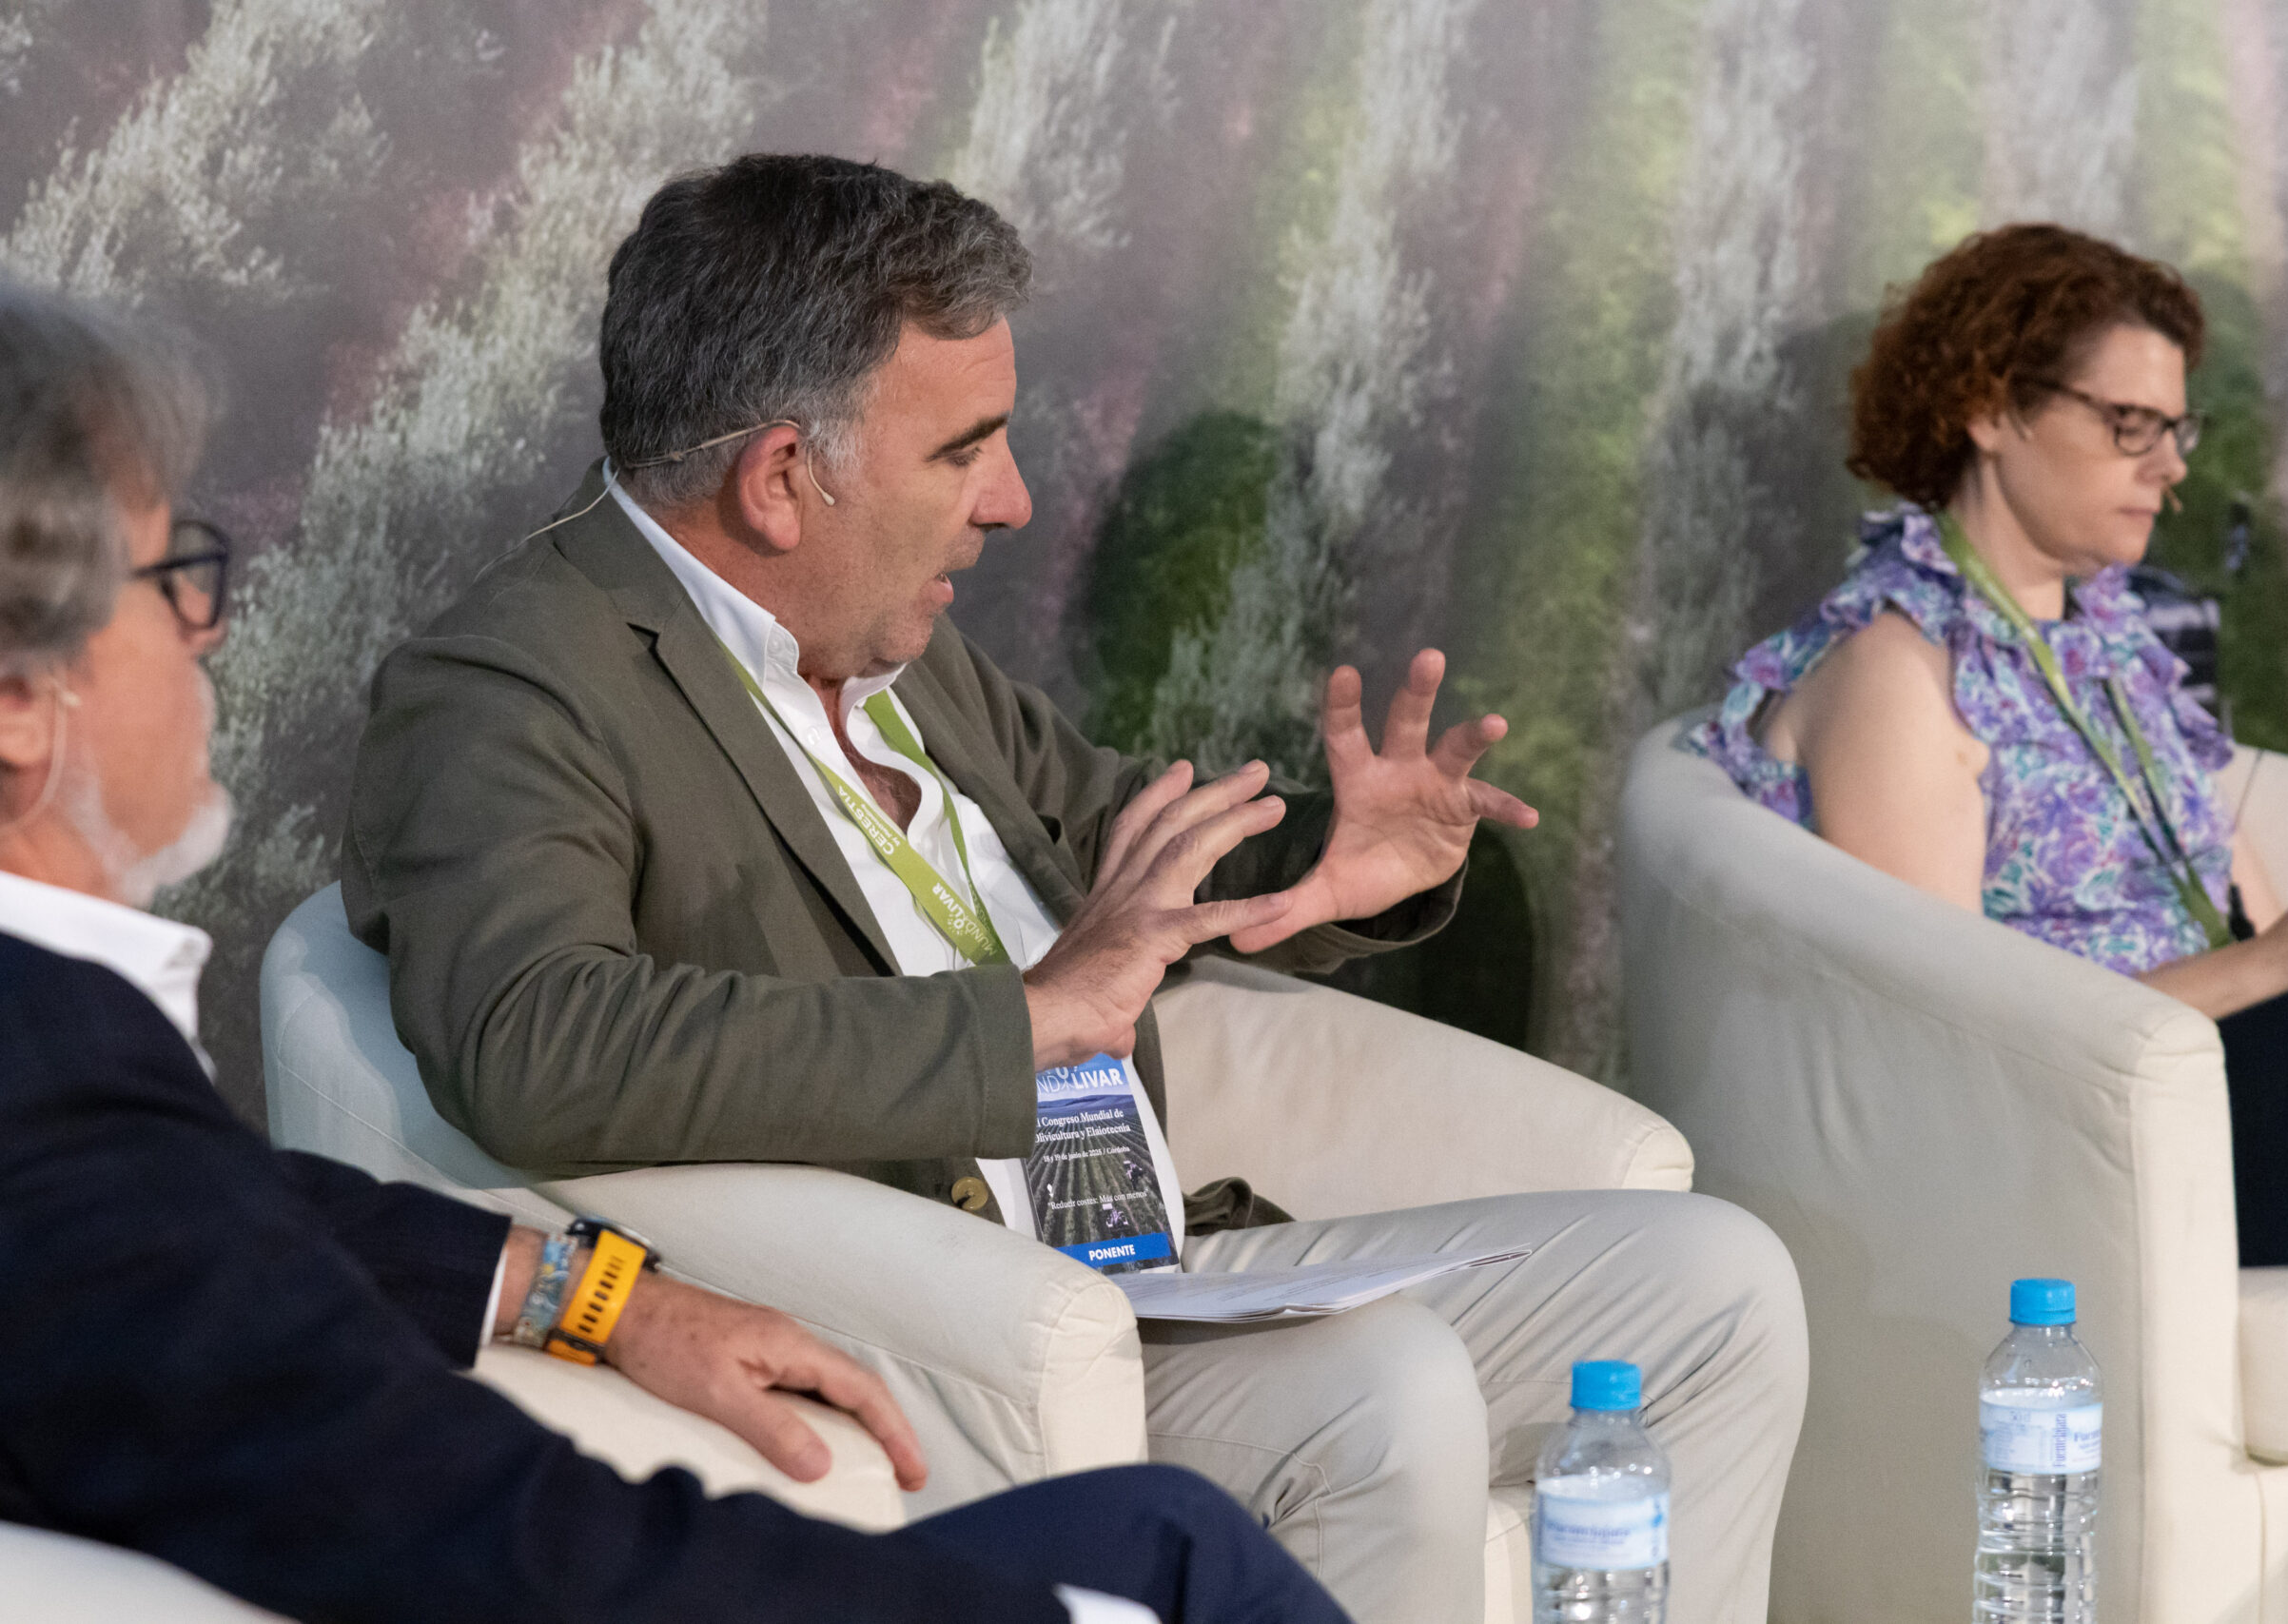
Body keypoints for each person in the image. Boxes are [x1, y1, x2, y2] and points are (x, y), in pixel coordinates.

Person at [342, 154, 1808, 1624]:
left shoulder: (889, 634)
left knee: (1719, 1284)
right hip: (963, 1316)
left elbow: (1113, 836)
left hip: (1152, 1266)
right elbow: (536, 1039)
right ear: (783, 478)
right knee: (1388, 1384)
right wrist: (1025, 1019)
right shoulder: (509, 687)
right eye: (963, 450)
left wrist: (1323, 865)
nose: (1015, 500)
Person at [0, 283, 1359, 1624]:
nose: (210, 627)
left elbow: (226, 1210)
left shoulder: (64, 1077)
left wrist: (590, 1291)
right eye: (172, 579)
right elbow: (487, 1535)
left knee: (1174, 1534)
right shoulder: (53, 1088)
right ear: (17, 703)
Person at [1693, 222, 2288, 1268]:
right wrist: (2284, 961)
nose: (2171, 468)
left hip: (2220, 1093)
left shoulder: (2109, 640)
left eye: (2177, 429)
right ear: (1991, 407)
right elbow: (1953, 1037)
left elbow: (2239, 909)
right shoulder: (1900, 673)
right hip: (2075, 1139)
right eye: (2131, 425)